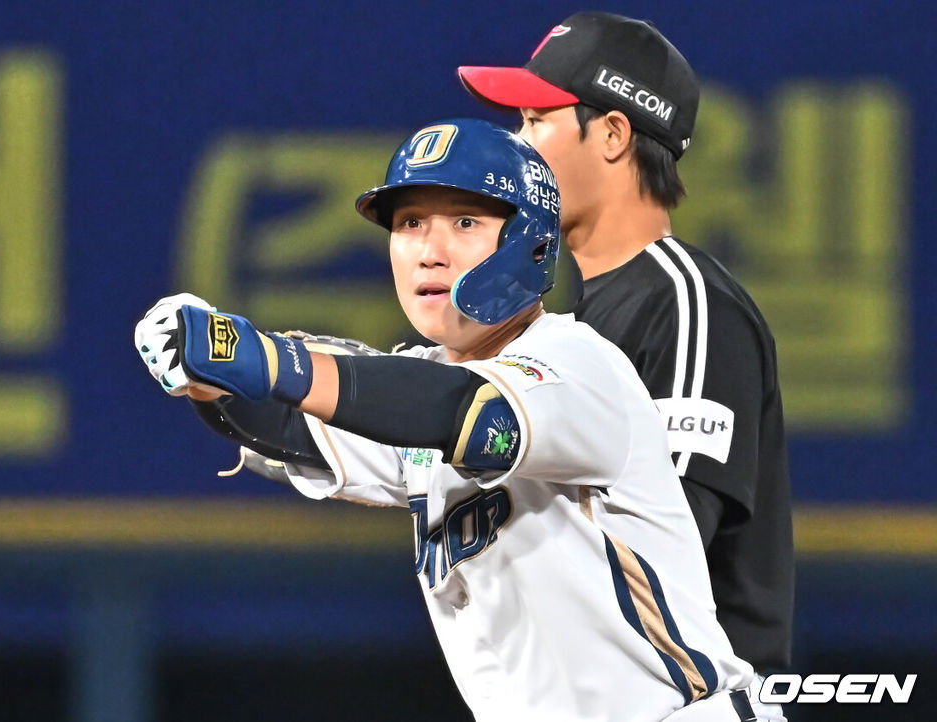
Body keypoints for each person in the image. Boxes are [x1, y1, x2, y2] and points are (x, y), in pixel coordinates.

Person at [134, 118, 756, 721]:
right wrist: (210, 378)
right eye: (408, 224)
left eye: (464, 222)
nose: (429, 252)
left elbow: (463, 410)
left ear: (529, 239)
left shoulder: (578, 365)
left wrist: (268, 358)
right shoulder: (416, 384)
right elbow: (293, 426)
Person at [457, 12, 793, 720]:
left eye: (536, 119)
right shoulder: (555, 325)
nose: (517, 147)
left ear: (611, 134)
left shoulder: (687, 305)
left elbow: (663, 546)